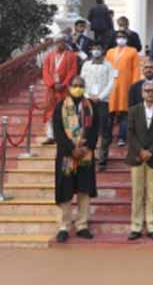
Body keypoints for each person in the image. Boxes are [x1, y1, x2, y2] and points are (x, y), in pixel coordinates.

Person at [53, 75, 99, 242]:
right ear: (69, 86)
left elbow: (95, 130)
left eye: (81, 85)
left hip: (86, 155)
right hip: (67, 155)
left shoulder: (91, 106)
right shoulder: (60, 106)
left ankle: (82, 225)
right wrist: (72, 149)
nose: (78, 88)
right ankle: (64, 226)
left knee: (84, 190)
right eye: (75, 85)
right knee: (65, 191)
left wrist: (86, 148)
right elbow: (58, 132)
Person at [126, 81, 153, 241]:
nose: (150, 94)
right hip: (137, 157)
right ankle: (136, 226)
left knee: (152, 194)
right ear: (142, 93)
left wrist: (151, 151)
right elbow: (130, 133)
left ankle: (152, 226)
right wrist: (141, 151)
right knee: (137, 193)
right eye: (147, 91)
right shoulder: (133, 110)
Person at [80, 41, 115, 169]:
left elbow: (111, 83)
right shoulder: (86, 65)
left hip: (103, 101)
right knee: (88, 129)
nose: (96, 50)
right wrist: (88, 96)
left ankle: (103, 159)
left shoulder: (109, 66)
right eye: (94, 48)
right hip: (88, 101)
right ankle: (89, 155)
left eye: (98, 48)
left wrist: (100, 97)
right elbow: (81, 81)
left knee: (105, 130)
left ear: (103, 50)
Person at [105, 30, 141, 148]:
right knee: (110, 113)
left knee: (125, 113)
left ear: (127, 38)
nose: (120, 38)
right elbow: (106, 69)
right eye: (118, 36)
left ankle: (122, 137)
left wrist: (134, 85)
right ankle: (108, 136)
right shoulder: (110, 52)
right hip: (111, 86)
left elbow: (136, 69)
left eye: (123, 37)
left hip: (126, 86)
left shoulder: (132, 51)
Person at [42, 37, 79, 144]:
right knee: (50, 111)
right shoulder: (49, 56)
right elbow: (45, 71)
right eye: (58, 42)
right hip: (51, 89)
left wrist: (64, 84)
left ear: (65, 43)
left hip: (65, 89)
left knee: (66, 110)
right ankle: (50, 135)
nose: (59, 44)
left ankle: (65, 135)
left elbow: (73, 70)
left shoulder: (71, 56)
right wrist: (52, 84)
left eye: (62, 42)